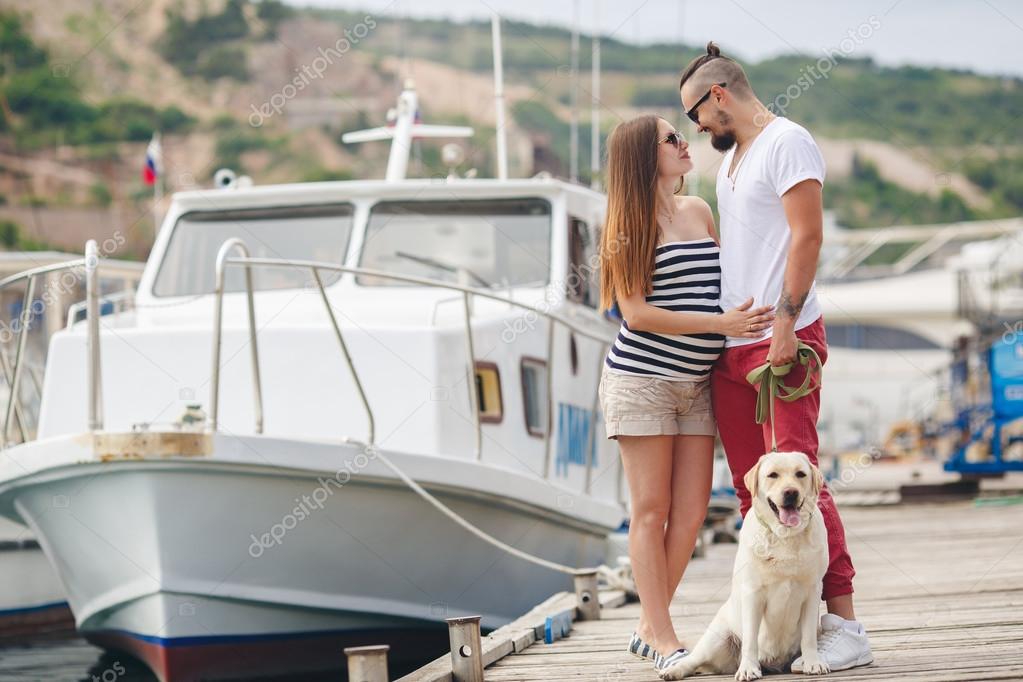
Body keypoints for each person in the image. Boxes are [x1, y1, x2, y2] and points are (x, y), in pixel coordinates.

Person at [677, 41, 874, 672]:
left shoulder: (788, 141)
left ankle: (844, 626)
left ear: (718, 96)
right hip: (735, 346)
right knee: (750, 489)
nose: (696, 129)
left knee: (802, 479)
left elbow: (808, 235)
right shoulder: (730, 161)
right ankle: (763, 633)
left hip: (781, 340)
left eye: (694, 115)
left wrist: (786, 321)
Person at [597, 114, 775, 673]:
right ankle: (665, 636)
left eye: (681, 134)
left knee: (693, 513)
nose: (684, 143)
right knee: (650, 513)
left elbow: (727, 282)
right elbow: (637, 314)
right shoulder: (626, 226)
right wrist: (720, 327)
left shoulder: (698, 211)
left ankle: (650, 625)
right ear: (643, 157)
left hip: (697, 383)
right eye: (671, 139)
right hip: (642, 381)